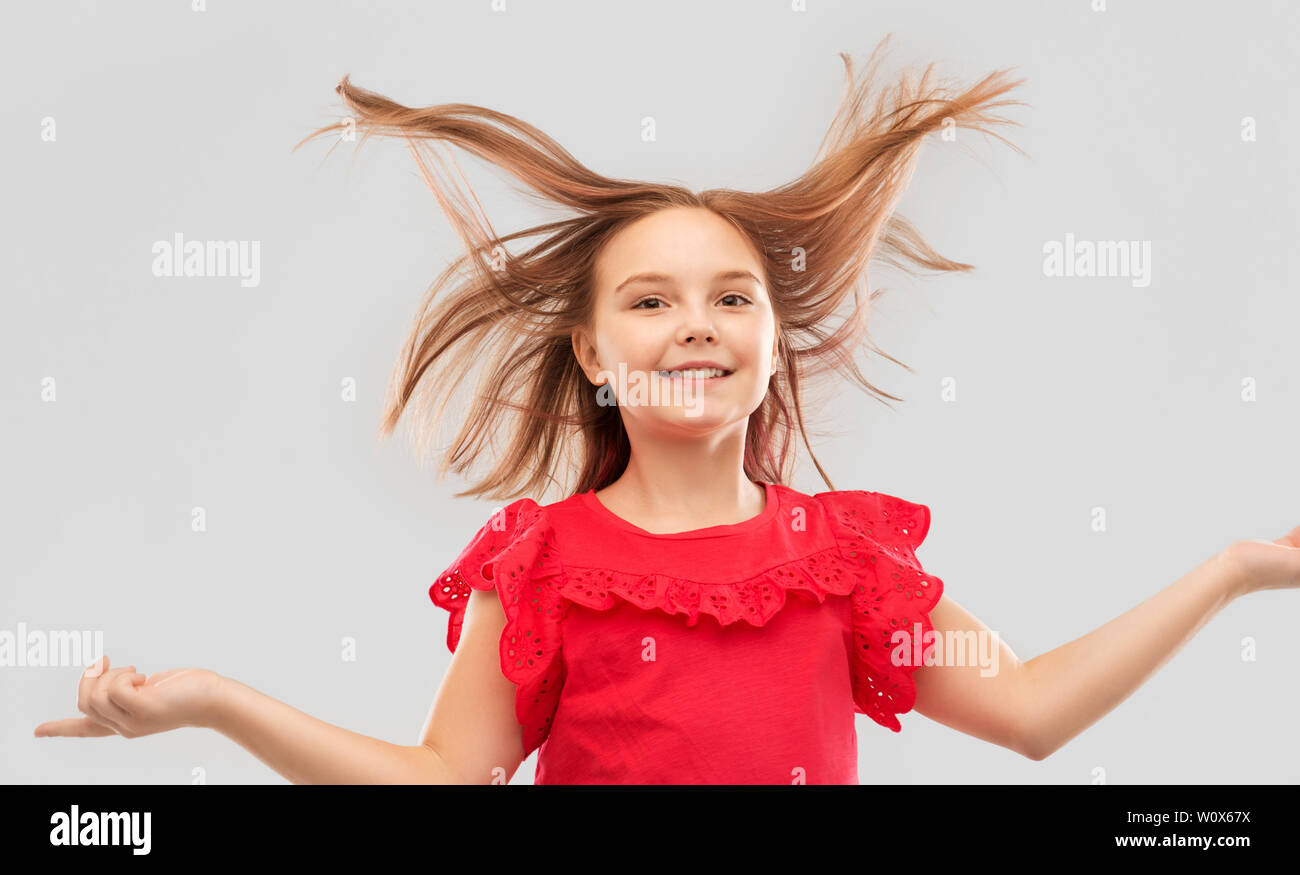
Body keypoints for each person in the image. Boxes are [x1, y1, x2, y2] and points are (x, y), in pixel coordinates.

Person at [33, 37, 1300, 784]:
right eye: (650, 300)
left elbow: (1025, 710)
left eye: (730, 295)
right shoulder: (536, 566)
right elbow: (438, 777)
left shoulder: (842, 560)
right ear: (591, 348)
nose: (695, 321)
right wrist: (210, 702)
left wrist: (1238, 569)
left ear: (767, 338)